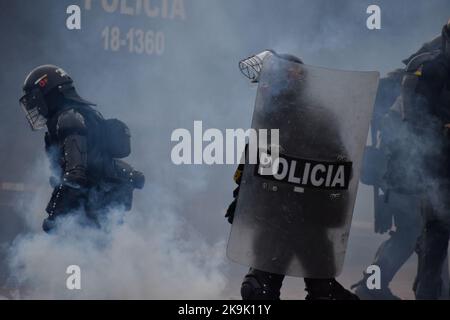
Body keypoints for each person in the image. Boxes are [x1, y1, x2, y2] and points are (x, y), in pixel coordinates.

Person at [226, 50, 359, 300]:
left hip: (310, 220)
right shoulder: (267, 119)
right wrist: (240, 198)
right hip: (274, 218)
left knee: (325, 295)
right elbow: (252, 167)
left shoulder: (320, 118)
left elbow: (342, 170)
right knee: (257, 291)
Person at [19, 65, 144, 232]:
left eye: (36, 99)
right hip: (103, 205)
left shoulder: (68, 119)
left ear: (49, 92)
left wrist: (54, 216)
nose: (35, 107)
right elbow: (98, 163)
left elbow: (74, 175)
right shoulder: (85, 115)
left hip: (93, 207)